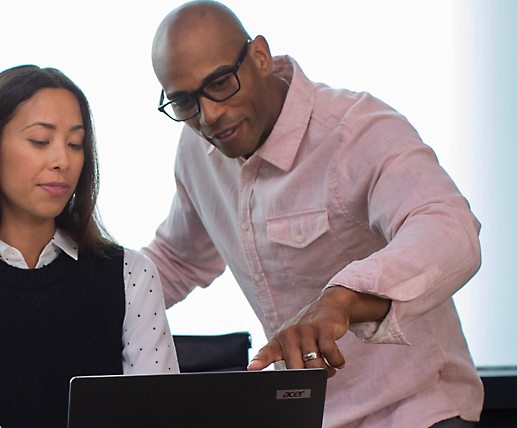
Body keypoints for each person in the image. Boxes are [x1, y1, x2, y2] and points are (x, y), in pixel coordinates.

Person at [141, 2, 483, 427]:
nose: (208, 115)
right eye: (184, 101)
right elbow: (178, 258)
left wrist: (342, 300)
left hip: (418, 413)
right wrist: (76, 293)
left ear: (260, 58)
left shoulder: (356, 130)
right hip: (310, 418)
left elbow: (450, 230)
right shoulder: (199, 150)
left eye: (220, 84)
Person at [0, 65, 178, 428]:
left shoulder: (131, 275)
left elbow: (161, 414)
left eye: (75, 144)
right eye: (41, 141)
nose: (62, 160)